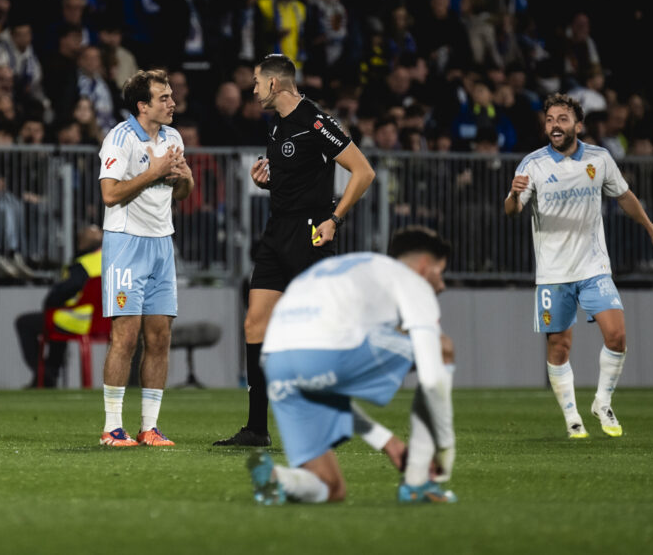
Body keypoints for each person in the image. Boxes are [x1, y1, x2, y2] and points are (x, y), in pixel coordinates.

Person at [215, 54, 375, 446]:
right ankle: (257, 428)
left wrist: (334, 220)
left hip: (310, 233)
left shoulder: (315, 121)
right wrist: (266, 183)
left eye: (256, 82)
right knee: (255, 323)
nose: (251, 89)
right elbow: (297, 177)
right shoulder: (278, 126)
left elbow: (364, 171)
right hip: (276, 232)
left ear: (274, 84)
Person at [246, 226, 457, 505]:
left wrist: (386, 441)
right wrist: (445, 446)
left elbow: (322, 381)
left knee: (331, 489)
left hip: (274, 361)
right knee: (441, 348)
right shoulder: (411, 281)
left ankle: (279, 479)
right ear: (423, 266)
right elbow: (432, 380)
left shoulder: (354, 268)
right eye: (440, 273)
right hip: (320, 353)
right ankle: (419, 482)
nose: (441, 285)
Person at [504, 94, 653, 439]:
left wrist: (652, 229)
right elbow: (513, 210)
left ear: (577, 125)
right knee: (559, 347)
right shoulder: (532, 164)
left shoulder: (600, 158)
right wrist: (511, 195)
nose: (555, 125)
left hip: (594, 266)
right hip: (553, 272)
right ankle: (572, 418)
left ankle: (602, 401)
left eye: (563, 119)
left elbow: (624, 195)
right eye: (550, 119)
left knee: (617, 336)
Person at [97, 69, 194, 446]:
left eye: (171, 95)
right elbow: (109, 194)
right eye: (164, 97)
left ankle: (149, 427)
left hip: (161, 244)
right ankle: (112, 428)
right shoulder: (119, 139)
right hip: (126, 243)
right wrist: (153, 172)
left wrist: (183, 177)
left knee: (160, 337)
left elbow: (182, 193)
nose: (172, 103)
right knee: (125, 336)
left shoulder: (173, 137)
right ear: (143, 105)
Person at [14, 225, 104, 388]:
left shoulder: (85, 263)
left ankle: (45, 373)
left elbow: (61, 293)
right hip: (107, 321)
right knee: (57, 317)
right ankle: (49, 374)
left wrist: (49, 303)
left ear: (82, 243)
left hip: (81, 320)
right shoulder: (114, 259)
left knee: (28, 322)